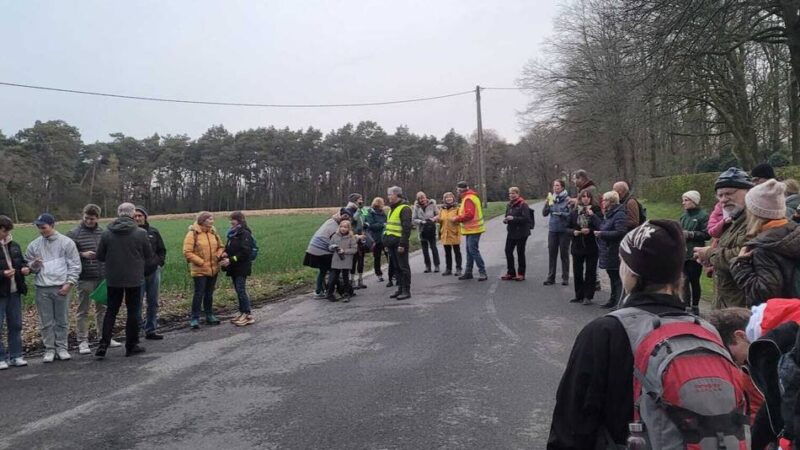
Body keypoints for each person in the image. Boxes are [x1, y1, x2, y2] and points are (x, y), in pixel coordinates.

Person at [549, 220, 747, 448]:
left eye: (623, 261)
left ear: (632, 272)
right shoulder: (706, 330)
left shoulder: (605, 332)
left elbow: (571, 426)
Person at [95, 203, 155, 358]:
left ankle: (104, 343)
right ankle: (131, 345)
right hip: (134, 278)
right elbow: (148, 256)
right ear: (132, 214)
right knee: (133, 311)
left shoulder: (107, 233)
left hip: (113, 278)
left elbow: (100, 256)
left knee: (111, 311)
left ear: (118, 213)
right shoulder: (140, 233)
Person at [729, 179, 800, 307]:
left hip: (780, 320)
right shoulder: (794, 231)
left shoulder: (764, 247)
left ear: (753, 213)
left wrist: (740, 266)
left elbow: (764, 295)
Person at [694, 168, 755, 308]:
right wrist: (710, 259)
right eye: (720, 196)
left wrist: (710, 254)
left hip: (742, 308)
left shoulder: (754, 221)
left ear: (748, 192)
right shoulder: (733, 220)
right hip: (726, 304)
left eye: (729, 193)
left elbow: (744, 256)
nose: (723, 200)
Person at [25, 213, 81, 363]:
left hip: (61, 287)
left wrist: (69, 283)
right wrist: (34, 265)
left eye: (43, 227)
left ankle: (62, 347)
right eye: (39, 227)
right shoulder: (34, 245)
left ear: (52, 225)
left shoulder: (67, 243)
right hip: (42, 288)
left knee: (62, 319)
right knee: (46, 321)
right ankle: (49, 349)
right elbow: (29, 266)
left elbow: (75, 265)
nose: (41, 230)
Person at [67, 204, 120, 354]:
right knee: (83, 310)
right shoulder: (73, 234)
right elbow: (67, 254)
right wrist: (82, 254)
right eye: (86, 218)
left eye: (92, 218)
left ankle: (104, 337)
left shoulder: (103, 232)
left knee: (102, 309)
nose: (89, 221)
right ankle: (82, 340)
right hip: (84, 277)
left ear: (98, 218)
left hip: (102, 276)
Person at [183, 211, 226, 329]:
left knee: (209, 294)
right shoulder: (193, 234)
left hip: (213, 269)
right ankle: (195, 318)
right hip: (199, 270)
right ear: (202, 221)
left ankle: (209, 315)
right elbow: (187, 252)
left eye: (212, 218)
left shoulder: (213, 233)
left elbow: (221, 247)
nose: (212, 220)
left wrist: (218, 255)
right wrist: (201, 262)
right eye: (210, 219)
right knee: (199, 293)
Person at [0, 215, 30, 369]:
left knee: (16, 325)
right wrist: (3, 274)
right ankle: (1, 358)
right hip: (1, 292)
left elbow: (21, 263)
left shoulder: (15, 245)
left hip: (14, 291)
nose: (5, 234)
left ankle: (16, 355)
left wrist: (25, 269)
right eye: (4, 231)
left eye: (7, 231)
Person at [134, 206, 167, 340]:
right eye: (135, 216)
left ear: (145, 217)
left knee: (153, 302)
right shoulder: (131, 233)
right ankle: (136, 330)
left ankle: (151, 329)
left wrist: (159, 262)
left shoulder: (154, 232)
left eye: (140, 216)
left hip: (153, 272)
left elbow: (161, 250)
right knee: (137, 304)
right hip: (137, 273)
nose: (137, 218)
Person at [592, 191, 628, 308]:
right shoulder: (610, 213)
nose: (603, 202)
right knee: (612, 276)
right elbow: (603, 225)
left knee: (617, 278)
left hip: (615, 250)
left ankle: (619, 304)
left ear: (611, 202)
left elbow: (621, 232)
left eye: (605, 200)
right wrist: (593, 217)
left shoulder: (619, 214)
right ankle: (612, 300)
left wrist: (602, 234)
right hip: (608, 250)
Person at [304, 210, 351, 298]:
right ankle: (332, 291)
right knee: (334, 270)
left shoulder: (330, 221)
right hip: (321, 250)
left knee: (323, 270)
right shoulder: (335, 227)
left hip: (314, 248)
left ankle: (319, 291)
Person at [568, 188, 601, 305]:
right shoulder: (574, 211)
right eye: (583, 196)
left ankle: (588, 296)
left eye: (588, 196)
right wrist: (574, 232)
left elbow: (601, 226)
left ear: (591, 198)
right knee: (577, 271)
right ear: (580, 198)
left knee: (590, 272)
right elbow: (567, 228)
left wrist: (590, 229)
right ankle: (579, 295)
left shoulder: (596, 210)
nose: (586, 198)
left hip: (591, 245)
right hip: (577, 245)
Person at [679, 190, 709, 315]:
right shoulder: (683, 216)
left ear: (694, 201)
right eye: (683, 200)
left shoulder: (703, 216)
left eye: (686, 200)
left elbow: (707, 234)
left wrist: (691, 234)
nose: (683, 203)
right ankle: (686, 306)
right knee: (684, 280)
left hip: (696, 253)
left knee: (694, 280)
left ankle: (695, 306)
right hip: (683, 253)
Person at [223, 211, 254, 326]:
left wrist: (230, 260)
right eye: (230, 220)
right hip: (234, 268)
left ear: (239, 220)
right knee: (238, 290)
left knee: (241, 290)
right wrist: (225, 253)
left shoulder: (245, 234)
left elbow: (245, 253)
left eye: (233, 220)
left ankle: (247, 314)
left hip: (242, 267)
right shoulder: (233, 234)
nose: (231, 222)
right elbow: (230, 248)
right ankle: (242, 312)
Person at [452, 181, 487, 281]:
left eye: (458, 190)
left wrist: (457, 219)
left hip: (474, 229)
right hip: (471, 229)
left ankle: (482, 272)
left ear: (460, 190)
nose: (457, 192)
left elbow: (469, 215)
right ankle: (468, 272)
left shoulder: (468, 199)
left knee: (473, 251)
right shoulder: (471, 197)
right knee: (469, 251)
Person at [384, 186, 413, 300]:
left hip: (399, 244)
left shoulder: (404, 208)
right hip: (391, 243)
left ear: (397, 195)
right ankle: (400, 289)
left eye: (390, 194)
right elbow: (389, 227)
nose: (388, 197)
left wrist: (402, 244)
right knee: (396, 267)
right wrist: (386, 243)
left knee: (403, 267)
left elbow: (406, 229)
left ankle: (406, 290)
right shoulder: (392, 208)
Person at [542, 179, 571, 286]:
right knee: (552, 254)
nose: (555, 187)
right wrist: (546, 204)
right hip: (553, 230)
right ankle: (551, 277)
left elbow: (570, 215)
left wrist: (561, 214)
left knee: (564, 255)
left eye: (557, 186)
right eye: (554, 186)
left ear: (562, 187)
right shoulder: (551, 198)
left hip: (564, 230)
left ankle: (565, 278)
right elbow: (544, 214)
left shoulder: (567, 199)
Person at [501, 187, 531, 281]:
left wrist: (513, 218)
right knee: (508, 251)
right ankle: (511, 272)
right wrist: (506, 220)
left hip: (522, 232)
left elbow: (526, 219)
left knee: (520, 252)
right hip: (511, 231)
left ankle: (521, 273)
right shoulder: (509, 204)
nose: (511, 195)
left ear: (518, 194)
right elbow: (507, 216)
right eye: (510, 193)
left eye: (513, 193)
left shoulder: (523, 204)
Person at [327, 217, 358, 302]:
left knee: (345, 279)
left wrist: (344, 251)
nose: (343, 229)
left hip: (346, 260)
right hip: (336, 260)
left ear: (349, 228)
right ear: (339, 227)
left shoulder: (351, 237)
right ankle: (330, 294)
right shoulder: (335, 236)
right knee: (333, 278)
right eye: (341, 227)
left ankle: (347, 294)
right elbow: (329, 247)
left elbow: (354, 249)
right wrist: (332, 247)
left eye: (345, 227)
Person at [412, 191, 440, 273]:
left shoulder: (432, 204)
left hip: (431, 229)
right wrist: (421, 221)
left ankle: (437, 265)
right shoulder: (416, 207)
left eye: (423, 198)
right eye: (420, 199)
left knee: (433, 247)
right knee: (425, 249)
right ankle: (427, 266)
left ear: (425, 197)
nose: (422, 200)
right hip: (422, 230)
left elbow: (438, 214)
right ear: (418, 199)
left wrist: (433, 219)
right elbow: (413, 219)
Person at [437, 192, 462, 277]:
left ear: (453, 198)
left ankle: (459, 269)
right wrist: (437, 219)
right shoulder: (442, 209)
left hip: (454, 232)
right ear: (444, 199)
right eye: (447, 198)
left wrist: (456, 219)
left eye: (450, 197)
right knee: (447, 252)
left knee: (457, 252)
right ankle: (448, 269)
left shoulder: (457, 208)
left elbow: (460, 218)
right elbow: (440, 219)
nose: (448, 199)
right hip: (445, 232)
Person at [364, 197, 388, 282]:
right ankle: (379, 274)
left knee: (388, 255)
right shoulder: (370, 213)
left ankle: (393, 273)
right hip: (375, 238)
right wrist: (382, 224)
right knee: (377, 257)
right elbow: (371, 225)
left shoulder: (383, 213)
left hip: (384, 237)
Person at [348, 193, 368, 290]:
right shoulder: (349, 210)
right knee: (354, 260)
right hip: (354, 237)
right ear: (355, 200)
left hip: (362, 236)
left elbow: (365, 217)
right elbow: (354, 220)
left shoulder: (361, 209)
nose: (361, 201)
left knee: (361, 259)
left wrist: (366, 223)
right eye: (360, 199)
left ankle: (360, 279)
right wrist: (359, 209)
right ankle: (352, 281)